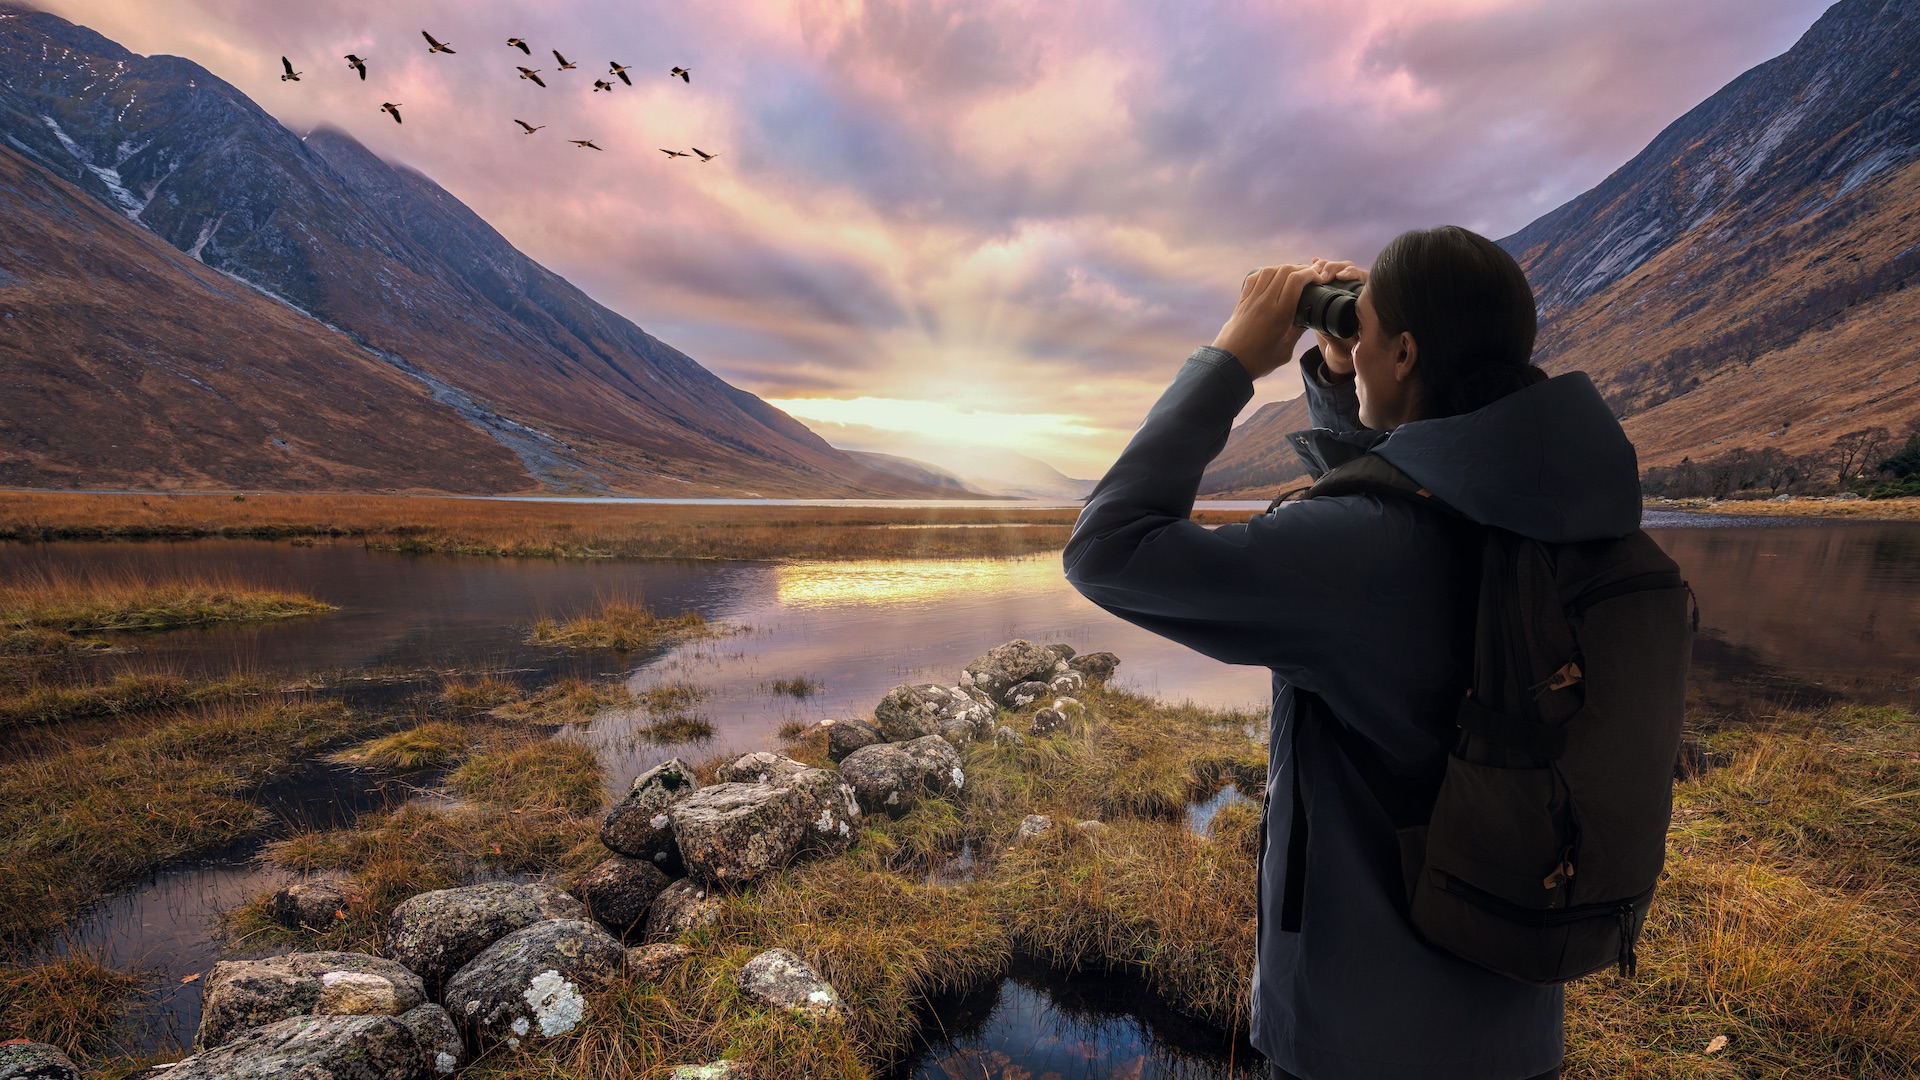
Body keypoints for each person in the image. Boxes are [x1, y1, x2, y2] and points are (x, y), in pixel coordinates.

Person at [1063, 225, 1643, 1079]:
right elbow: (1408, 484)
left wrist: (1229, 358)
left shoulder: (1363, 551)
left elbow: (1107, 546)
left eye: (1362, 330)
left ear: (1404, 351)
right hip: (1515, 1024)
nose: (1355, 344)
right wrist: (1345, 378)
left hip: (1359, 1037)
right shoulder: (1561, 520)